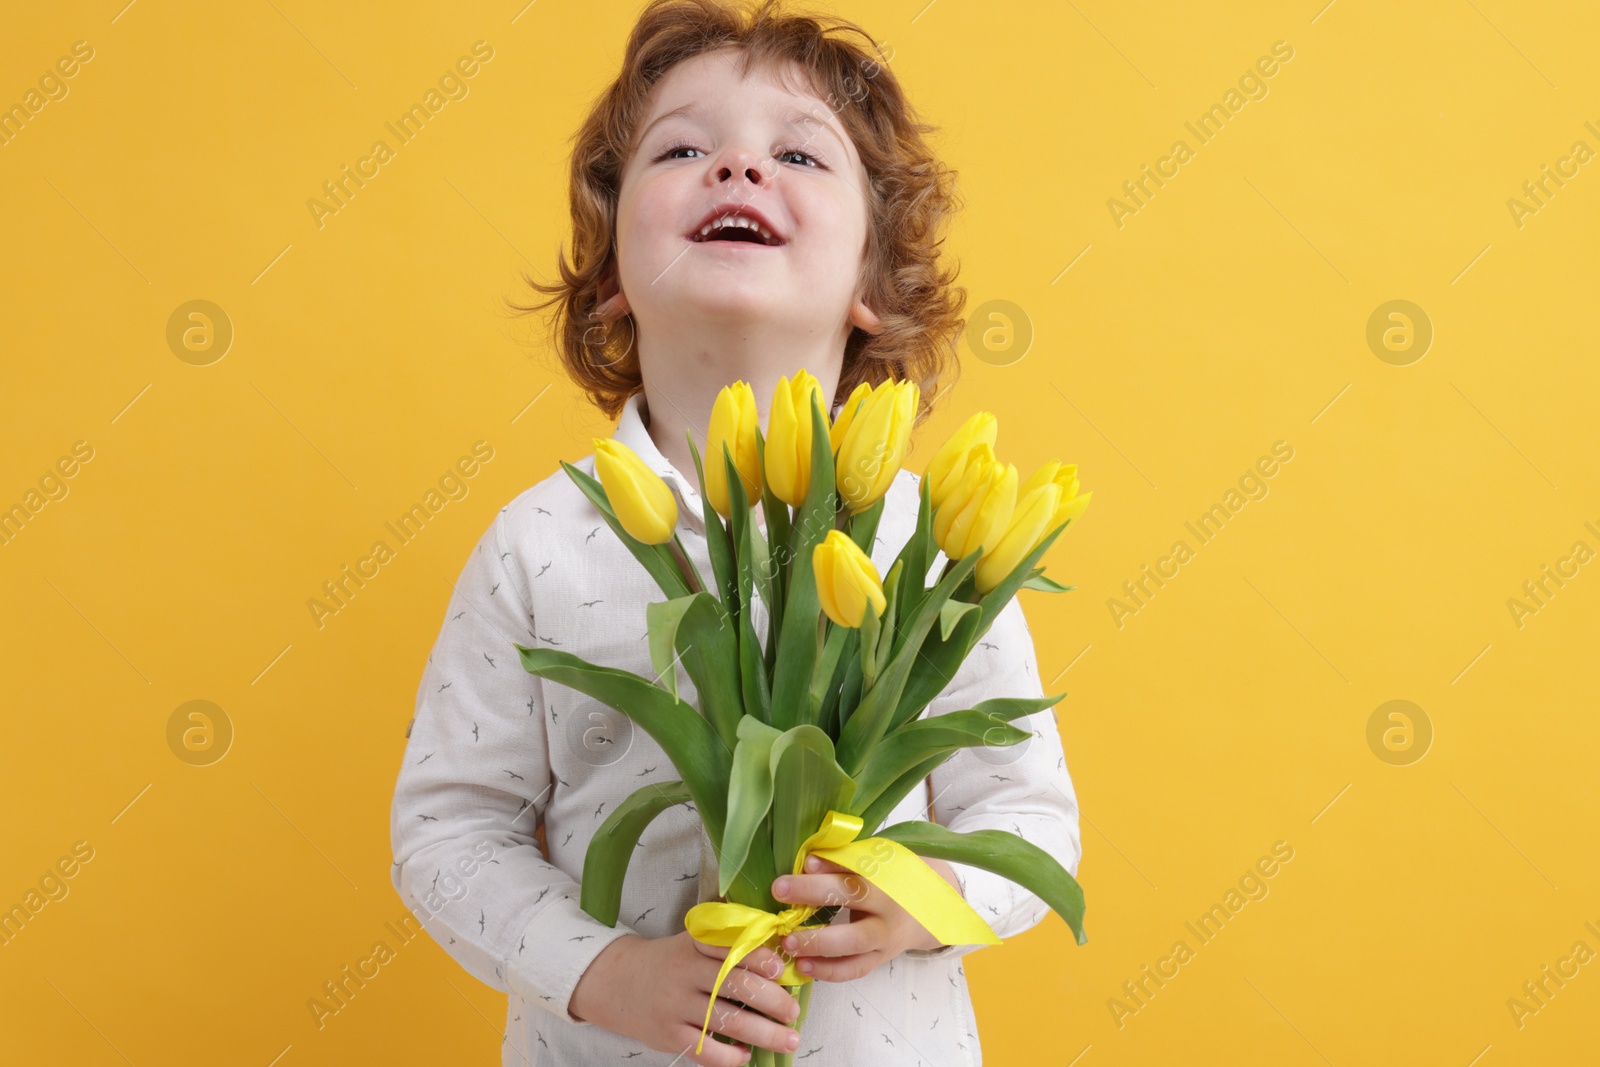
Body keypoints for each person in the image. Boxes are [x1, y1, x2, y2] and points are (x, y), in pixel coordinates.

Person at [387, 1, 1083, 1063]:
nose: (739, 170)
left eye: (798, 153)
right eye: (683, 149)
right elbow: (446, 831)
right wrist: (603, 969)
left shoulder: (929, 542)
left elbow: (1031, 822)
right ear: (612, 280)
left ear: (868, 290)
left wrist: (914, 896)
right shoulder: (540, 539)